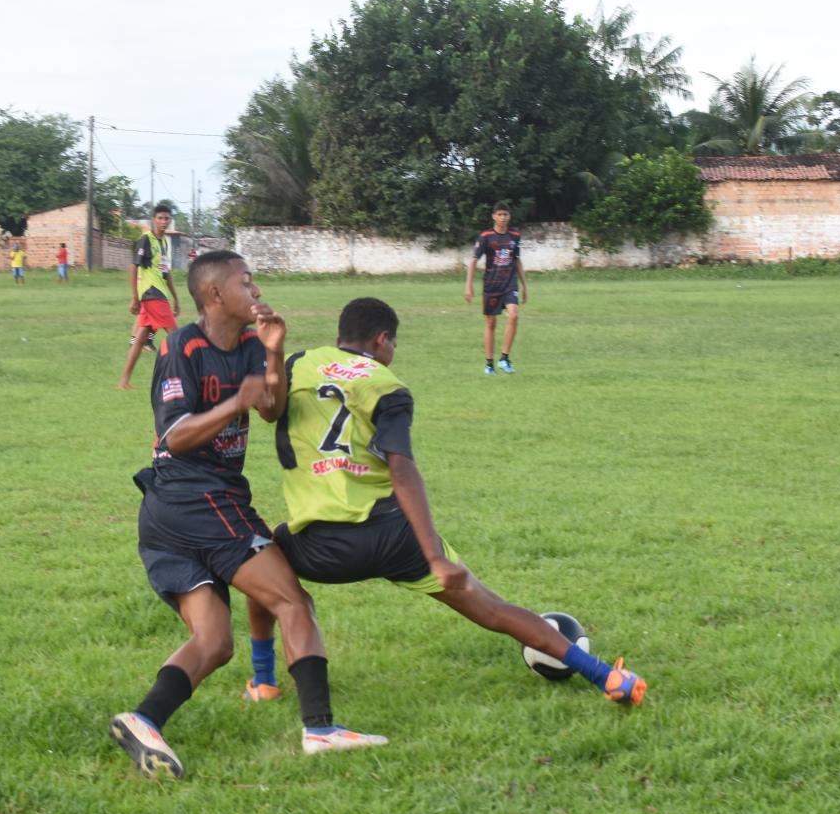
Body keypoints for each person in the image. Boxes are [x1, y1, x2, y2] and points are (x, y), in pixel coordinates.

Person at [240, 296, 645, 710]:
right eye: (393, 345)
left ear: (340, 334)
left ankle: (264, 679)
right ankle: (608, 676)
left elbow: (269, 411)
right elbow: (402, 470)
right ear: (382, 340)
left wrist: (273, 352)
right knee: (494, 609)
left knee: (263, 566)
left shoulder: (299, 362)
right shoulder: (387, 386)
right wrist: (435, 556)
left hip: (322, 545)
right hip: (396, 535)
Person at [110, 251, 386, 779]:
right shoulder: (181, 347)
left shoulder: (253, 344)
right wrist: (235, 403)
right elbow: (175, 436)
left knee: (213, 642)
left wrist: (276, 355)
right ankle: (322, 728)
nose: (256, 290)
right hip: (196, 497)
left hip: (175, 511)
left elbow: (272, 408)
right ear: (215, 295)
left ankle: (144, 720)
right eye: (246, 282)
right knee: (292, 599)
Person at [117, 202, 182, 389]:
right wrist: (134, 297)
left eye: (166, 218)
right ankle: (185, 379)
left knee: (139, 340)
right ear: (154, 220)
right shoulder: (146, 239)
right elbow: (133, 267)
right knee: (177, 337)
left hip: (159, 293)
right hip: (151, 293)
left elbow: (166, 272)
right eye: (160, 218)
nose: (163, 221)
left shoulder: (164, 243)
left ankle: (123, 382)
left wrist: (176, 298)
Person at [464, 202, 527, 374]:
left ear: (509, 216)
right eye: (499, 214)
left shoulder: (514, 235)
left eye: (505, 214)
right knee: (491, 323)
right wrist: (468, 286)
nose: (503, 217)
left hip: (510, 284)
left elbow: (517, 260)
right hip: (491, 285)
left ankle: (504, 359)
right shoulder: (485, 237)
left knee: (513, 315)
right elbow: (473, 261)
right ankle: (489, 363)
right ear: (493, 216)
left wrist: (524, 286)